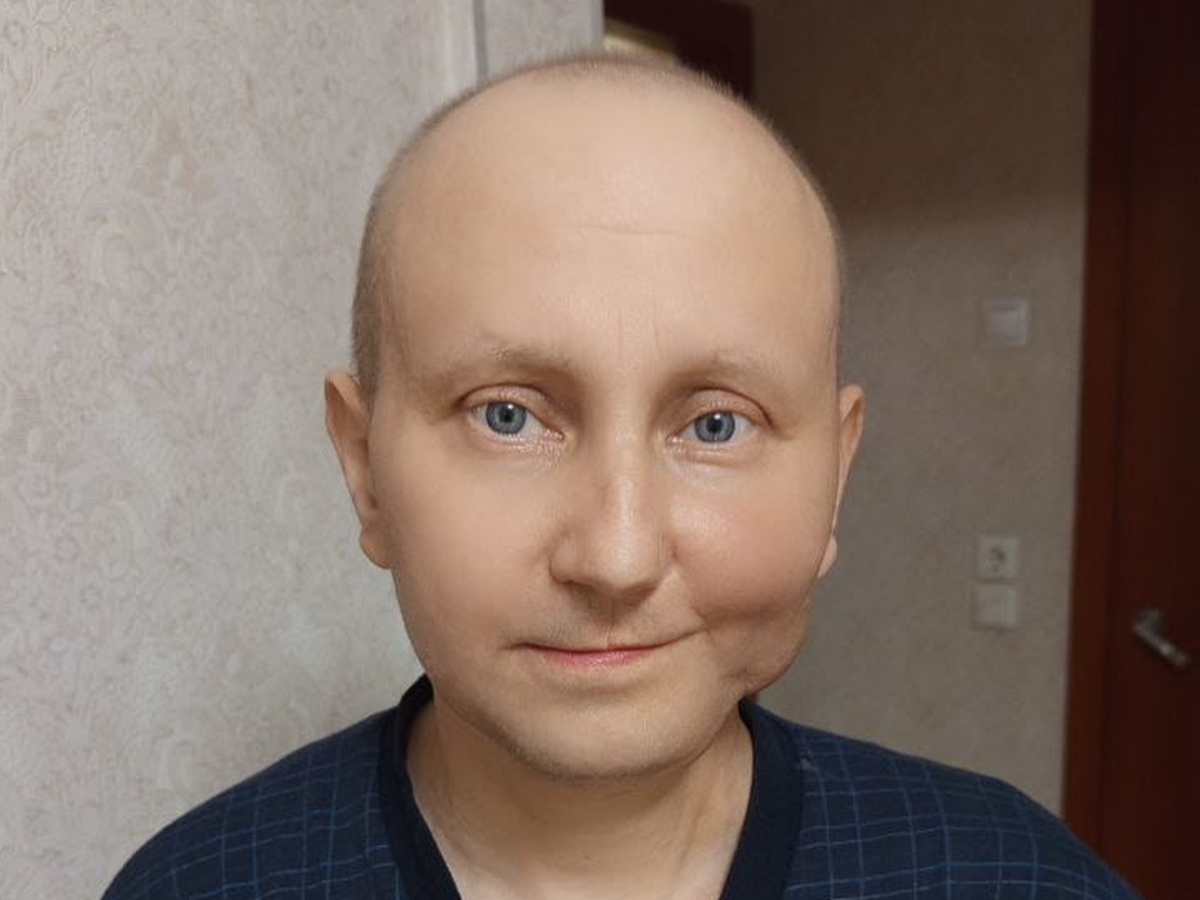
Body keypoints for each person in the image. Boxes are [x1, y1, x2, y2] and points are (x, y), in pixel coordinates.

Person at [102, 53, 1140, 900]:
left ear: (835, 476)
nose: (617, 554)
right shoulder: (195, 887)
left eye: (716, 425)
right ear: (366, 468)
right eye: (508, 416)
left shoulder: (1020, 881)